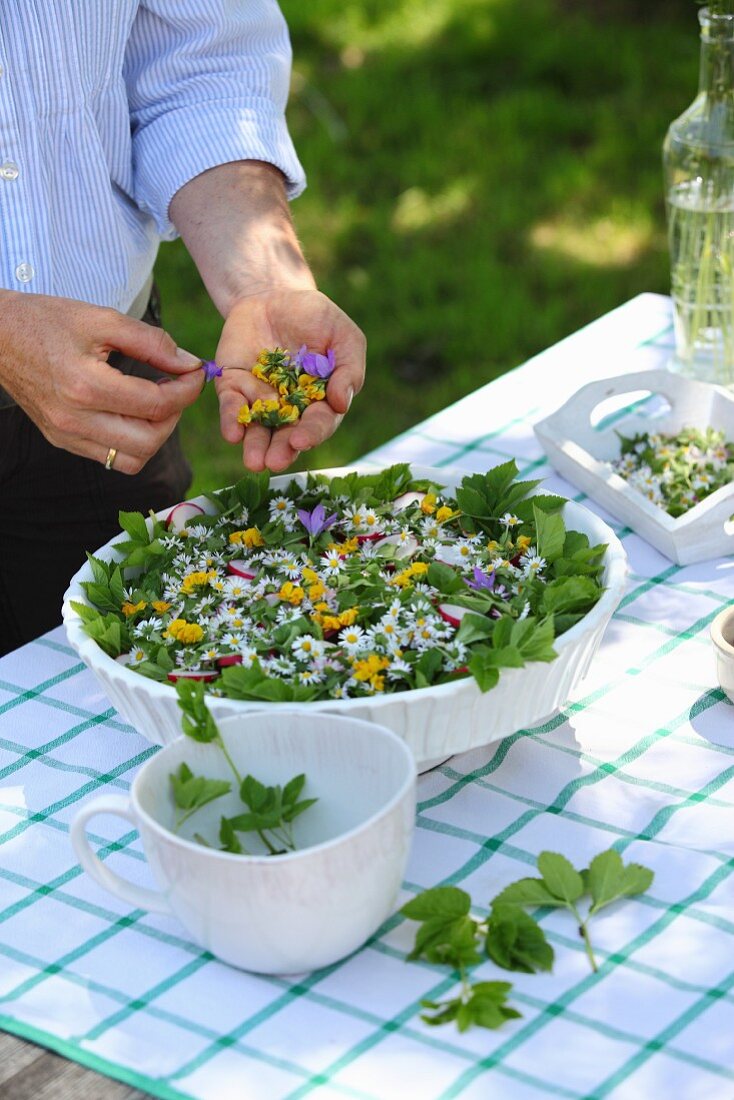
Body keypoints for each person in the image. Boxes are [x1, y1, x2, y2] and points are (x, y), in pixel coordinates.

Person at [0, 1, 366, 656]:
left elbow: (200, 60)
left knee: (132, 680)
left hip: (104, 399)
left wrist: (264, 284)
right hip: (94, 384)